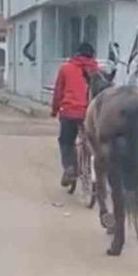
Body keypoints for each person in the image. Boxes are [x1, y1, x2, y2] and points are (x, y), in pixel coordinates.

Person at [51, 42, 100, 186]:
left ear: (77, 54)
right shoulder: (96, 70)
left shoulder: (66, 68)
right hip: (91, 114)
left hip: (70, 112)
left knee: (66, 141)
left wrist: (54, 110)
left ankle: (70, 168)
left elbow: (58, 91)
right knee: (92, 141)